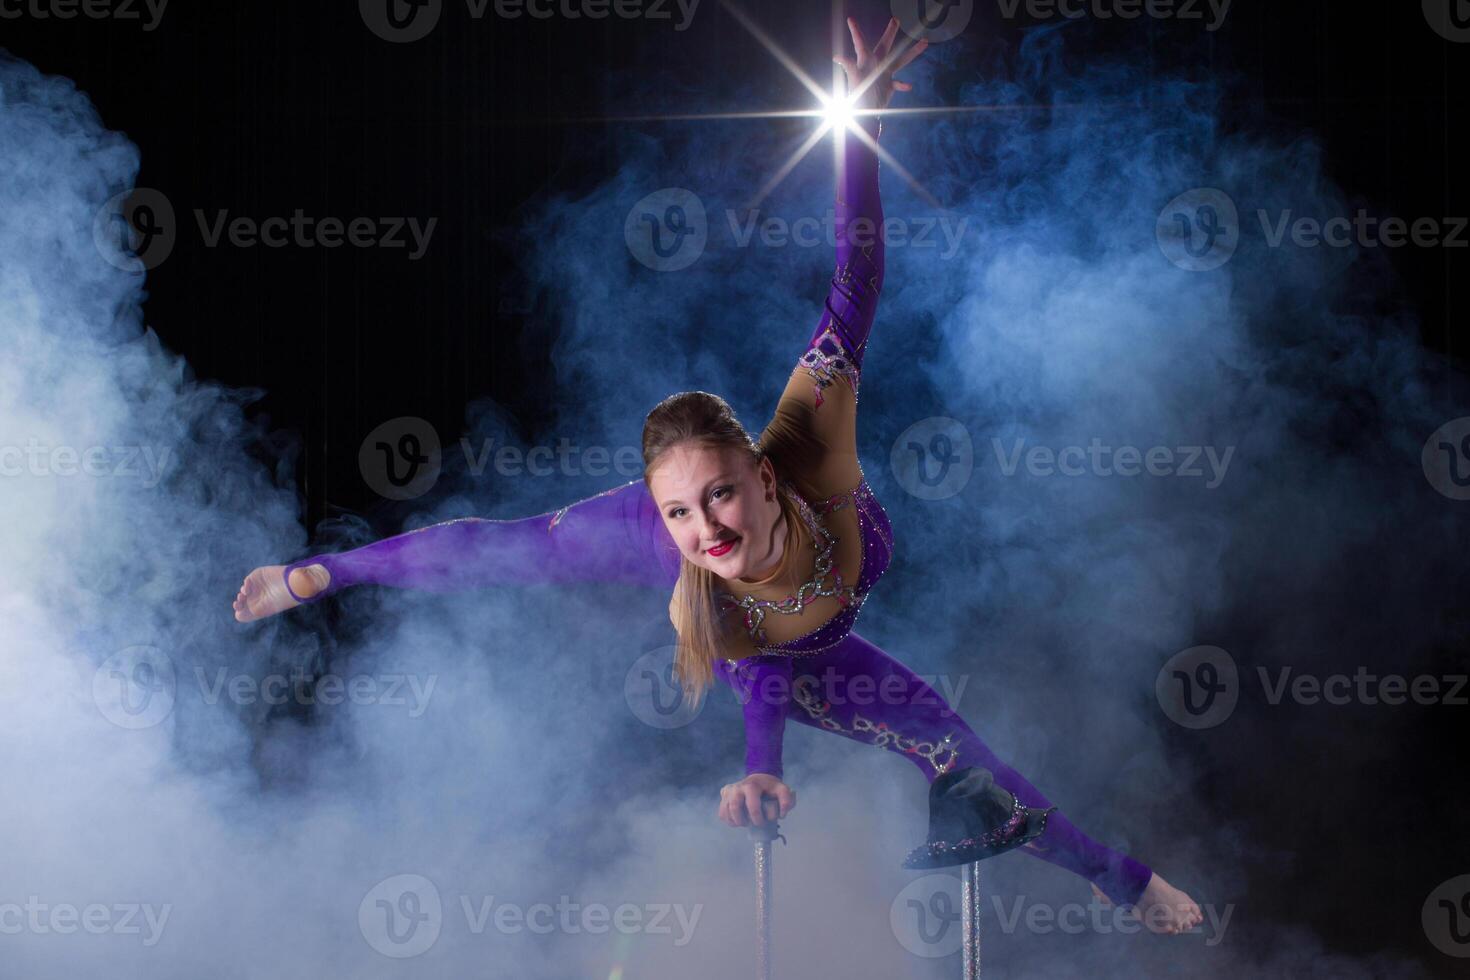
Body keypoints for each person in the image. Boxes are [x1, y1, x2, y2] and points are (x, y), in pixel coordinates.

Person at [233, 16, 1202, 935]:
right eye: (682, 512)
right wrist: (316, 575)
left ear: (767, 474)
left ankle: (1131, 881)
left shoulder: (810, 434)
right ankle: (1128, 882)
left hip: (823, 619)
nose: (707, 527)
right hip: (801, 664)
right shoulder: (687, 569)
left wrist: (856, 127)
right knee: (926, 735)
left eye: (721, 494)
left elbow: (856, 279)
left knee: (980, 770)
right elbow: (489, 557)